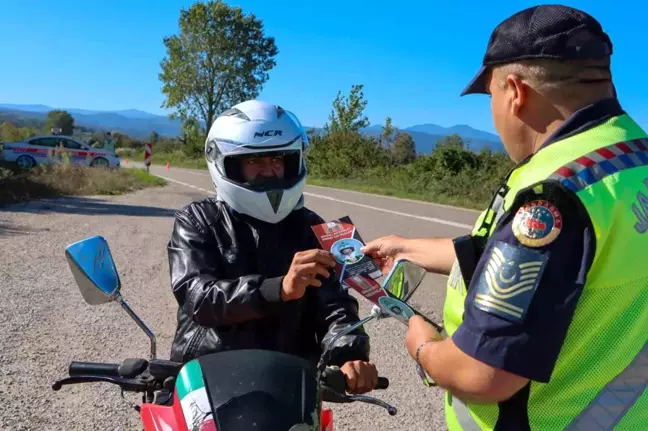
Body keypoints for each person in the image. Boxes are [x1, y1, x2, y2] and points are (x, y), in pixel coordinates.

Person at [362, 5, 648, 430]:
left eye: (492, 96)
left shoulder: (554, 195)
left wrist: (423, 347)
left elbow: (482, 373)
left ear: (515, 92)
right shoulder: (629, 162)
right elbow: (559, 268)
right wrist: (406, 247)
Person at [167, 99, 379, 395]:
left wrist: (349, 354)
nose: (268, 170)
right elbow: (198, 298)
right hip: (206, 373)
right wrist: (277, 289)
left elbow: (335, 306)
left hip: (289, 380)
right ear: (226, 163)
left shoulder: (314, 228)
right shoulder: (199, 220)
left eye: (277, 160)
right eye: (254, 161)